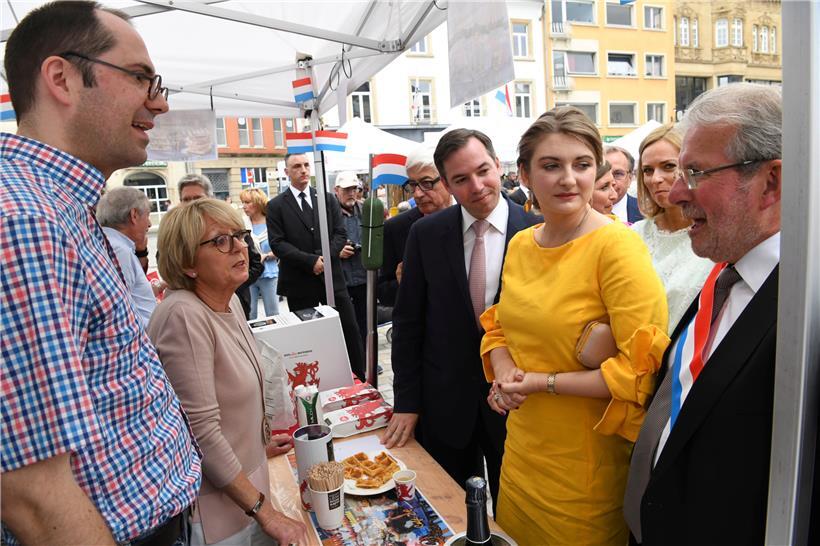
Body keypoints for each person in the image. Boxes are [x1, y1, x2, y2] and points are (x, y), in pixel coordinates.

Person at [0, 3, 201, 545]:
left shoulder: (59, 208)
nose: (157, 102)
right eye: (140, 77)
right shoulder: (25, 221)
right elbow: (33, 495)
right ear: (61, 78)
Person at [481, 106, 669, 544]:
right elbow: (500, 327)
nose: (569, 178)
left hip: (585, 470)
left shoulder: (617, 247)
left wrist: (541, 382)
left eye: (582, 165)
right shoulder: (523, 244)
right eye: (552, 166)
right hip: (523, 454)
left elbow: (638, 372)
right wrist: (506, 372)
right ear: (525, 175)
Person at [623, 83, 784, 545]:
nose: (673, 193)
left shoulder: (801, 307)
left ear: (770, 181)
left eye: (693, 171)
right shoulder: (724, 271)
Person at [382, 129, 538, 509]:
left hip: (517, 407)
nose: (477, 186)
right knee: (450, 510)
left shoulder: (539, 231)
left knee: (513, 512)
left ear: (498, 165)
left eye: (483, 171)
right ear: (447, 184)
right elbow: (409, 323)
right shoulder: (425, 234)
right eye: (461, 179)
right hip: (444, 404)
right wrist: (407, 401)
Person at [147, 199, 307, 546]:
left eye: (240, 235)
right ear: (188, 262)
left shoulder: (228, 300)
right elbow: (201, 432)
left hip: (245, 489)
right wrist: (265, 512)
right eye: (221, 240)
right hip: (218, 512)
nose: (240, 246)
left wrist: (256, 443)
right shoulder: (183, 316)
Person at [266, 153, 365, 380]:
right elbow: (278, 243)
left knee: (348, 329)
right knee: (307, 337)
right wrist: (310, 261)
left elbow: (340, 234)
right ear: (286, 172)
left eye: (306, 165)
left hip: (332, 278)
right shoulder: (276, 206)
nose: (303, 170)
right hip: (300, 282)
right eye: (297, 166)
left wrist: (324, 259)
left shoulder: (327, 199)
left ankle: (359, 376)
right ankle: (315, 381)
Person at [631, 124, 714, 333]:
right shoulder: (633, 235)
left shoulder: (716, 238)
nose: (655, 179)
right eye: (647, 170)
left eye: (668, 166)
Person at [178, 173, 263, 320]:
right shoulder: (184, 316)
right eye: (186, 200)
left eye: (197, 199)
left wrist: (232, 284)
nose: (192, 205)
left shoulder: (230, 224)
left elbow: (255, 264)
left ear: (210, 199)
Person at [377, 143, 452, 307]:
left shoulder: (470, 218)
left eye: (426, 183)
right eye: (412, 185)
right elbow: (384, 294)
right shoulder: (395, 228)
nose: (417, 193)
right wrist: (401, 282)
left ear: (447, 180)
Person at [97, 186, 163, 326]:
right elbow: (120, 311)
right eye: (147, 215)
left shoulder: (110, 244)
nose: (150, 224)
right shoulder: (119, 251)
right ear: (134, 215)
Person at [334, 171, 368, 348]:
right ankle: (352, 362)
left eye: (354, 188)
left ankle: (367, 360)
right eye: (347, 189)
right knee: (346, 325)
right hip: (342, 280)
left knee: (365, 322)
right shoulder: (329, 213)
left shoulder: (366, 209)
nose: (351, 193)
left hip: (363, 276)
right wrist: (337, 251)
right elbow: (319, 244)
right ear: (336, 190)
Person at [240, 188, 279, 319]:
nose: (243, 206)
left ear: (257, 203)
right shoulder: (242, 225)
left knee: (272, 314)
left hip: (270, 274)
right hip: (249, 274)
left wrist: (267, 256)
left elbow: (282, 248)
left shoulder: (272, 222)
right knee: (249, 314)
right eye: (242, 202)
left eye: (247, 202)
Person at [606, 145, 643, 223]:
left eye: (618, 174)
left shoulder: (646, 212)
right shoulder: (580, 213)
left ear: (629, 179)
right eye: (603, 173)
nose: (611, 181)